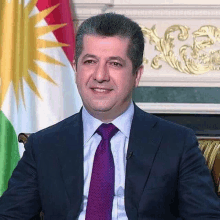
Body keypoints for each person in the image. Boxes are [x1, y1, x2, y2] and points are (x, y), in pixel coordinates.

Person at [0, 13, 220, 220]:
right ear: (76, 69)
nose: (100, 76)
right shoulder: (43, 146)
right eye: (90, 62)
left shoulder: (177, 143)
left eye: (115, 63)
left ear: (137, 75)